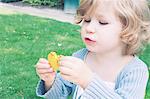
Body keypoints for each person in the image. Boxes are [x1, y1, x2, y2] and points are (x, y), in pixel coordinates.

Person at [35, 0, 150, 98]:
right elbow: (58, 95)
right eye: (87, 20)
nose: (89, 28)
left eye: (102, 22)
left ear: (129, 31)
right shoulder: (80, 57)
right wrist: (50, 81)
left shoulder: (135, 71)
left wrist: (88, 81)